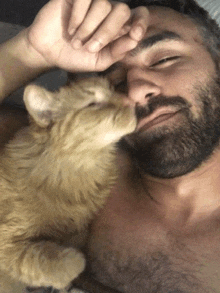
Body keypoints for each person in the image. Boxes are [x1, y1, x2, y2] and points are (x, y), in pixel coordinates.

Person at [0, 0, 220, 292]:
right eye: (116, 82)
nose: (135, 91)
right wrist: (30, 52)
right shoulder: (54, 163)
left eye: (163, 59)